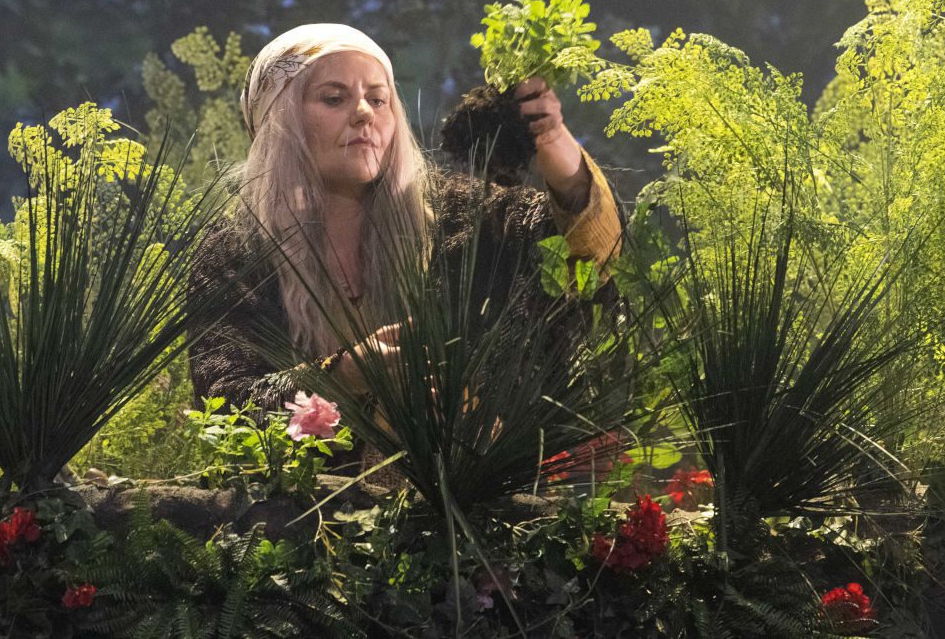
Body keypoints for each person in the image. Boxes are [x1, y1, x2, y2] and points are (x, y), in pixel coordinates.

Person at [188, 23, 622, 420]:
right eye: (334, 98)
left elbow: (579, 259)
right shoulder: (235, 252)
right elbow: (224, 403)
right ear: (281, 121)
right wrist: (340, 375)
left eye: (378, 99)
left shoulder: (457, 215)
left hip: (461, 476)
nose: (364, 112)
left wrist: (555, 148)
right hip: (299, 483)